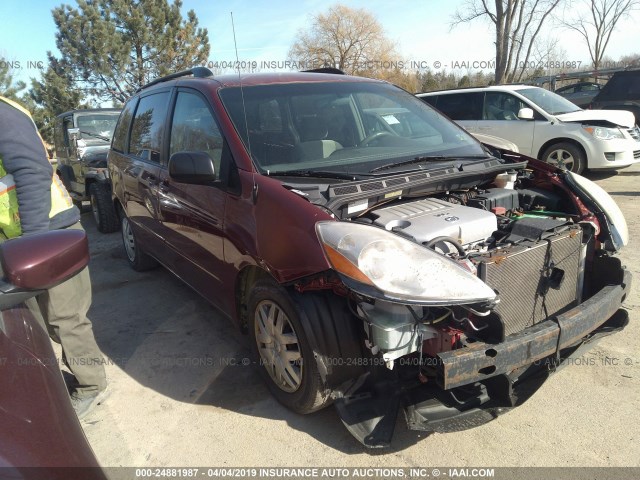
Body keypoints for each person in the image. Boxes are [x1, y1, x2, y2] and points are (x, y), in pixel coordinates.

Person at [0, 95, 108, 418]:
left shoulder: (4, 115)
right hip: (19, 240)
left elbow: (32, 172)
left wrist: (33, 246)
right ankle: (54, 383)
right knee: (36, 322)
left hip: (49, 235)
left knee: (66, 320)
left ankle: (93, 386)